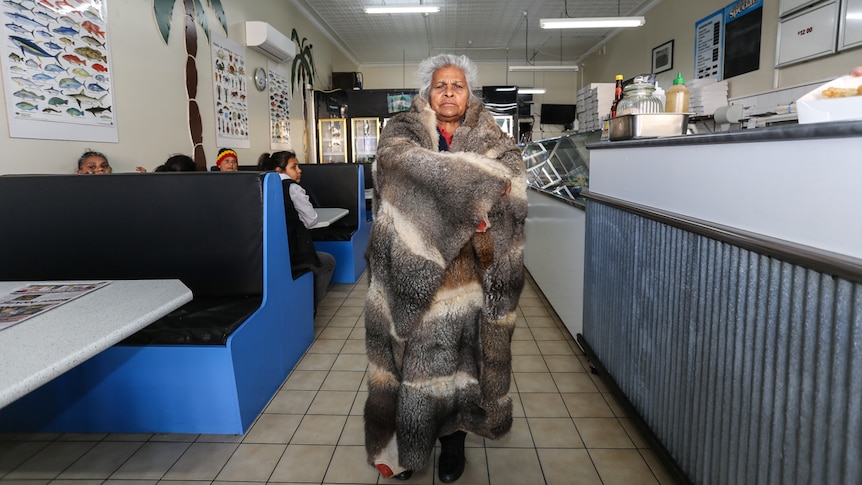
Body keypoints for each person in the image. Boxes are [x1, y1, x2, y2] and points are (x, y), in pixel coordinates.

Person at [363, 54, 527, 483]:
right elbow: (399, 167)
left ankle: (454, 445)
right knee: (407, 366)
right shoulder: (401, 129)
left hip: (471, 276)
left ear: (469, 93)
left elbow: (513, 181)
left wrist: (444, 191)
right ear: (427, 92)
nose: (449, 92)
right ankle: (407, 448)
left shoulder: (493, 135)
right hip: (409, 275)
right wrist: (479, 187)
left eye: (457, 85)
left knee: (462, 368)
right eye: (440, 85)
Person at [258, 151, 335, 311]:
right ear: (279, 170)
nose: (299, 171)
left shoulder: (259, 186)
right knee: (328, 262)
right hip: (293, 254)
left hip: (265, 255)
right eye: (294, 167)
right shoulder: (292, 188)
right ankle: (307, 308)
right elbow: (311, 219)